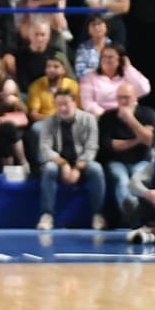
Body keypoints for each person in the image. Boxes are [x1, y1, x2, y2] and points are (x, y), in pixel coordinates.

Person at [35, 89, 104, 229]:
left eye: (66, 104)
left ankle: (98, 214)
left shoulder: (89, 119)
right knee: (49, 168)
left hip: (82, 163)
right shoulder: (49, 121)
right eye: (58, 105)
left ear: (75, 102)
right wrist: (63, 164)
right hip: (60, 165)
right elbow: (44, 149)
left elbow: (91, 148)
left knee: (96, 168)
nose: (62, 108)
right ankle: (47, 215)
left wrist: (78, 168)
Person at [98, 83, 155, 215]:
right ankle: (133, 212)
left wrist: (130, 119)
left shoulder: (147, 114)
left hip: (141, 160)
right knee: (121, 178)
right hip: (116, 161)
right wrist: (138, 138)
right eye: (120, 98)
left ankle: (135, 213)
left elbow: (149, 141)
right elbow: (110, 146)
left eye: (127, 97)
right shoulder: (107, 117)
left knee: (137, 177)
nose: (123, 102)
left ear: (135, 97)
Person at [78, 42, 150, 115]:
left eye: (110, 57)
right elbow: (88, 104)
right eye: (103, 57)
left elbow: (144, 90)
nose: (106, 60)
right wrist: (107, 117)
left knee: (148, 113)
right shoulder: (88, 78)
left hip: (130, 115)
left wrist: (128, 67)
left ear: (120, 60)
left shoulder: (128, 74)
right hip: (102, 118)